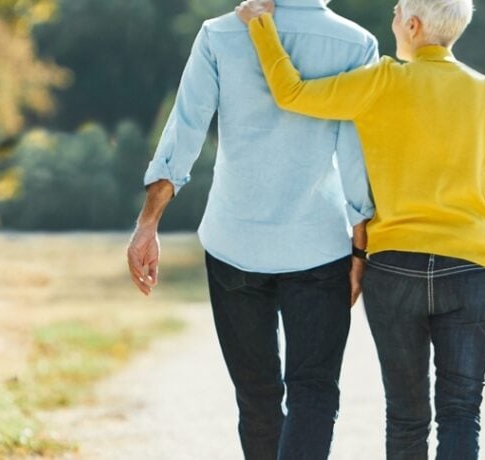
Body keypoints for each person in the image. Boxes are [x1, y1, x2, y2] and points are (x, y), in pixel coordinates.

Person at [235, 0, 485, 458]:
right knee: (461, 412)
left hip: (395, 272)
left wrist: (262, 26)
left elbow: (290, 93)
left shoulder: (381, 81)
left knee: (406, 418)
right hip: (472, 275)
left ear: (413, 25)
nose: (392, 22)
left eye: (395, 14)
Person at [126, 1, 379, 458]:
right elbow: (356, 151)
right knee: (314, 393)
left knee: (257, 397)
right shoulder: (355, 44)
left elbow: (185, 128)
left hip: (234, 245)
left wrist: (148, 223)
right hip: (319, 248)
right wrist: (361, 248)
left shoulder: (220, 34)